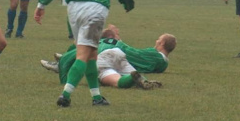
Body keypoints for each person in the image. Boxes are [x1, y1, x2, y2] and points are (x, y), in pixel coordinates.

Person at [42, 27, 177, 91]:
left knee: (115, 80)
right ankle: (138, 78)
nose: (156, 41)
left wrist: (63, 71)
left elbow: (136, 53)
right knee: (123, 75)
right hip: (120, 57)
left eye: (159, 40)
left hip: (108, 55)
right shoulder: (163, 63)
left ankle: (62, 62)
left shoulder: (105, 42)